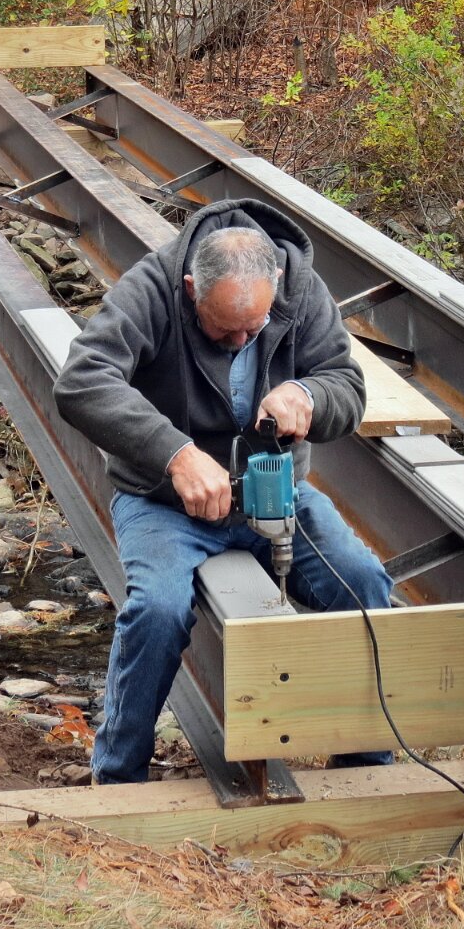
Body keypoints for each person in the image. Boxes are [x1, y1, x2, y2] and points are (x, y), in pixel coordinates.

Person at [55, 197, 394, 784]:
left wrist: (308, 396)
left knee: (362, 583)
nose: (239, 341)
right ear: (192, 289)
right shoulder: (153, 287)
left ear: (276, 284)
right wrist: (175, 454)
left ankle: (365, 767)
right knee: (157, 610)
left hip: (275, 492)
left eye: (252, 328)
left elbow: (346, 386)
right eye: (222, 328)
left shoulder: (301, 290)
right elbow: (82, 381)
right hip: (165, 502)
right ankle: (118, 776)